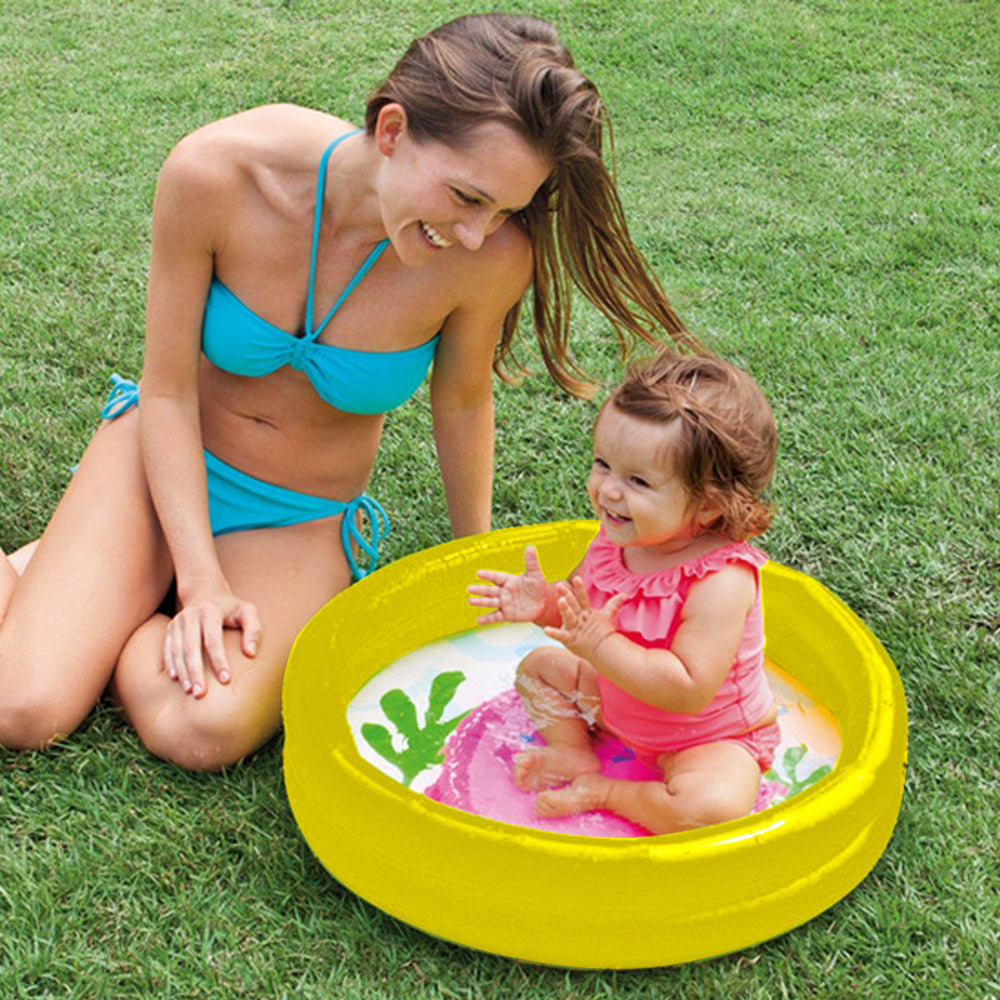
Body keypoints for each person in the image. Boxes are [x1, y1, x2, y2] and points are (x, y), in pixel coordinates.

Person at [0, 15, 700, 771]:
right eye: (466, 196)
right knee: (24, 707)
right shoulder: (219, 173)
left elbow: (462, 401)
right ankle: (114, 581)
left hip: (298, 517)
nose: (475, 232)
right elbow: (166, 392)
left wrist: (475, 555)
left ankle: (101, 596)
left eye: (502, 208)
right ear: (393, 129)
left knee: (200, 733)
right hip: (159, 460)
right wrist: (200, 583)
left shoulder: (491, 255)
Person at [468, 351, 779, 835]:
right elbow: (579, 617)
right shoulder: (618, 541)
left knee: (711, 808)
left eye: (637, 481)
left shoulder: (722, 580)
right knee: (538, 671)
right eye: (603, 464)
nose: (608, 491)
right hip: (616, 705)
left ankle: (610, 792)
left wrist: (599, 646)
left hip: (705, 737)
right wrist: (544, 605)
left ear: (709, 504)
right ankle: (574, 753)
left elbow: (688, 690)